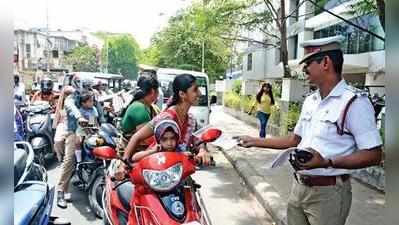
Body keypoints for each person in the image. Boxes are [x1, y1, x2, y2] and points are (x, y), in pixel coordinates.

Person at [236, 36, 383, 225]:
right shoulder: (310, 101)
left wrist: (327, 162)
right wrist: (255, 141)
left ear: (326, 63)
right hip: (299, 187)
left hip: (329, 194)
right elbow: (294, 140)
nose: (304, 69)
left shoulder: (354, 102)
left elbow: (374, 155)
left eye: (308, 63)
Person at [122, 74, 211, 168]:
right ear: (182, 94)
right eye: (195, 90)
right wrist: (124, 165)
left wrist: (202, 150)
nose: (200, 93)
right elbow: (137, 137)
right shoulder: (166, 117)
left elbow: (193, 138)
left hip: (178, 170)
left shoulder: (190, 119)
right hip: (157, 168)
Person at [56, 75, 103, 209]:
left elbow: (97, 113)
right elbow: (70, 106)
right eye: (86, 85)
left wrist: (102, 125)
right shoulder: (72, 97)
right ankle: (60, 192)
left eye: (90, 86)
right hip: (74, 130)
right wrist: (79, 117)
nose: (89, 88)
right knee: (69, 159)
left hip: (89, 128)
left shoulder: (91, 96)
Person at [116, 76, 160, 156]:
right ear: (153, 91)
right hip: (132, 154)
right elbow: (147, 139)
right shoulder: (138, 108)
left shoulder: (152, 107)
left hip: (146, 152)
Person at [74, 90, 99, 163]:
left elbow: (94, 121)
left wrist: (95, 131)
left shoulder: (93, 109)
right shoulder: (80, 111)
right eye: (90, 101)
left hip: (91, 127)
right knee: (78, 142)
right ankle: (79, 160)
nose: (92, 103)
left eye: (92, 101)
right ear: (83, 103)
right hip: (82, 129)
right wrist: (88, 132)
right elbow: (82, 124)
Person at [53, 85, 75, 162]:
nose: (68, 96)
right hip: (64, 124)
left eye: (70, 94)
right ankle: (61, 155)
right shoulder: (62, 104)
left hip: (76, 125)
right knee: (58, 141)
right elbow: (59, 115)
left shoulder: (79, 101)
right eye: (67, 94)